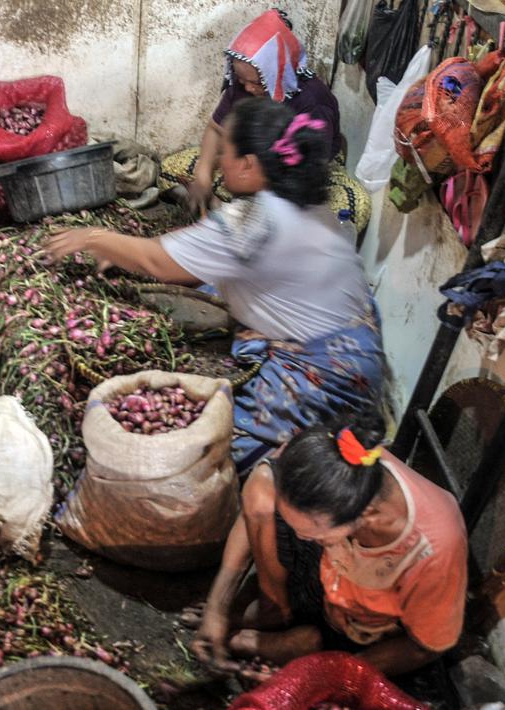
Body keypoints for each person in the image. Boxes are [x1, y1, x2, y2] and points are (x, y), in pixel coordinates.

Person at [46, 98, 386, 473]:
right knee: (209, 292)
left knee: (200, 440)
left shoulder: (251, 220)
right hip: (360, 345)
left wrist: (93, 237)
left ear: (249, 164)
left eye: (226, 153)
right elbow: (202, 260)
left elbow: (158, 262)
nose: (221, 164)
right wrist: (128, 251)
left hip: (325, 377)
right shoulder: (305, 201)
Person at [192, 414, 468, 677]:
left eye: (314, 535)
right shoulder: (327, 454)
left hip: (361, 622)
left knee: (307, 644)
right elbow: (260, 506)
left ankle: (284, 638)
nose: (299, 538)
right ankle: (273, 612)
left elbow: (425, 648)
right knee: (262, 486)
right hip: (328, 573)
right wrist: (218, 604)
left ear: (366, 515)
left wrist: (325, 674)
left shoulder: (433, 549)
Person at [158, 9, 370, 233]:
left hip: (300, 178)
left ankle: (236, 216)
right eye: (242, 80)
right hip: (248, 164)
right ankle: (239, 217)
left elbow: (308, 171)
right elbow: (215, 129)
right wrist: (202, 177)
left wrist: (252, 187)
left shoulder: (312, 101)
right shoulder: (243, 88)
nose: (248, 88)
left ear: (277, 74)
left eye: (257, 82)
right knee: (171, 168)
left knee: (354, 204)